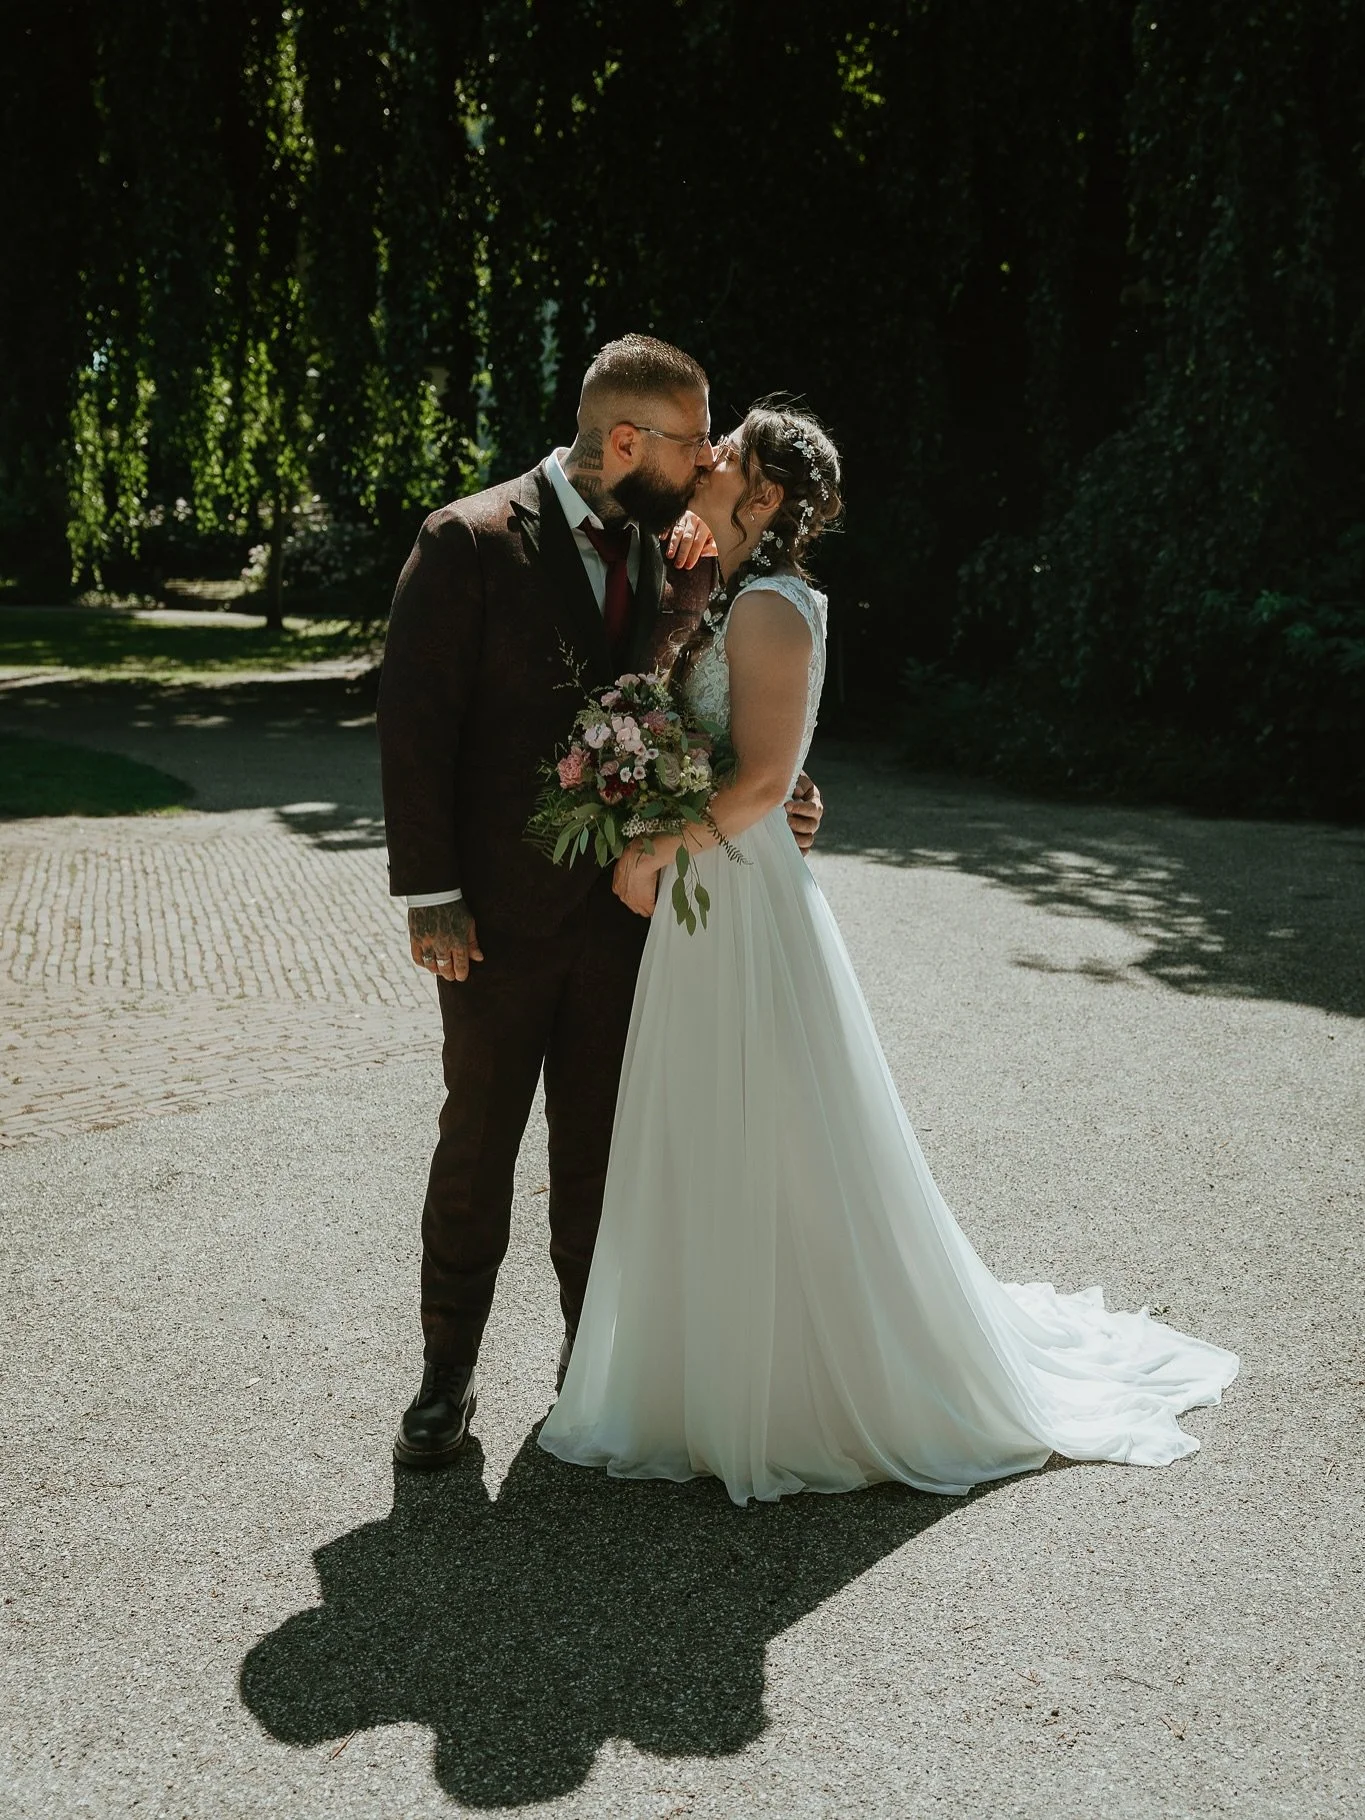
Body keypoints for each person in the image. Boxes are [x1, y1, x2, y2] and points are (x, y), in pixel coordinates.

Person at [538, 402, 1239, 1505]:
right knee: (713, 1121)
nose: (710, 456)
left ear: (764, 496)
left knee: (773, 1126)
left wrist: (652, 847)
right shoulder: (721, 590)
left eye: (731, 451)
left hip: (741, 896)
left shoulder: (768, 606)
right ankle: (702, 1370)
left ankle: (797, 1385)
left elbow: (765, 781)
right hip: (711, 891)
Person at [376, 336, 824, 1468]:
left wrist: (784, 793)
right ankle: (444, 1379)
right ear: (627, 439)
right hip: (495, 920)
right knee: (476, 1146)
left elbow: (706, 706)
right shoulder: (469, 539)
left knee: (602, 1153)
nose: (710, 456)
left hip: (632, 922)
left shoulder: (676, 552)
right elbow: (415, 728)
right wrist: (431, 893)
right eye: (695, 437)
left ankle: (592, 1368)